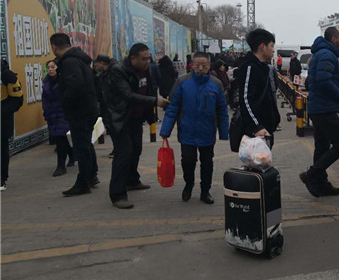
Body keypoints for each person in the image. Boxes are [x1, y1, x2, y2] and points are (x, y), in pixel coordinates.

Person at [103, 43, 169, 209]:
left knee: (136, 149)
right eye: (144, 59)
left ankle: (132, 180)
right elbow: (128, 95)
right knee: (124, 153)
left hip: (136, 118)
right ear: (133, 58)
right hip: (120, 118)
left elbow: (150, 89)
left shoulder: (147, 69)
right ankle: (117, 194)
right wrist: (155, 101)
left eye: (149, 58)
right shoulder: (118, 71)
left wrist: (152, 115)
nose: (147, 62)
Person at [161, 53, 229, 204]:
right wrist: (165, 130)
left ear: (209, 66)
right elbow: (172, 108)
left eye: (204, 65)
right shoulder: (182, 82)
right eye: (197, 65)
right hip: (187, 131)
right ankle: (189, 184)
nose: (200, 68)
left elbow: (222, 110)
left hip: (207, 132)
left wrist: (224, 132)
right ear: (192, 65)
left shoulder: (216, 84)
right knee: (187, 161)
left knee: (207, 163)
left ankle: (205, 191)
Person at [300, 27, 339, 197]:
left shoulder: (321, 54)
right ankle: (311, 174)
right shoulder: (327, 55)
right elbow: (323, 80)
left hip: (318, 107)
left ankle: (320, 185)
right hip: (325, 108)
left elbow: (311, 82)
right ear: (334, 39)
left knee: (321, 147)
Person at [50, 33, 99, 196]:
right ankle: (91, 176)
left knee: (81, 147)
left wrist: (65, 103)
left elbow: (75, 86)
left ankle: (83, 183)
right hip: (88, 108)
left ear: (54, 47)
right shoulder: (80, 59)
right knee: (86, 144)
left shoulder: (69, 62)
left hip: (80, 111)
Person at [237, 29, 281, 148]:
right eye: (271, 46)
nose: (273, 50)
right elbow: (245, 100)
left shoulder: (263, 67)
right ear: (262, 47)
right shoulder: (250, 67)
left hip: (265, 130)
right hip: (256, 133)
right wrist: (256, 126)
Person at [42, 60, 76, 176]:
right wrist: (46, 112)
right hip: (52, 114)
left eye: (53, 67)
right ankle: (71, 154)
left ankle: (61, 166)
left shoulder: (64, 81)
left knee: (60, 138)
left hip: (63, 113)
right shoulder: (46, 82)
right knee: (60, 137)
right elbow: (45, 99)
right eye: (48, 67)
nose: (50, 69)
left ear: (58, 68)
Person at [1, 59, 23, 191]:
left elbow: (18, 99)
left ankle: (2, 178)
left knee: (1, 150)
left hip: (2, 122)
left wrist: (2, 112)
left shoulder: (6, 74)